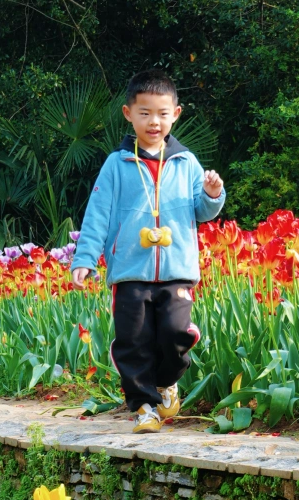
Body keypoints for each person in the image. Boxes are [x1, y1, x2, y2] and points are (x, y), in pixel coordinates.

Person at [70, 71, 225, 433]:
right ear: (128, 114)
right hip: (130, 271)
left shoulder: (187, 163)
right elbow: (98, 214)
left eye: (162, 113)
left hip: (176, 270)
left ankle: (167, 382)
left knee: (174, 332)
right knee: (134, 341)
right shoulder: (116, 164)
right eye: (145, 113)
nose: (154, 121)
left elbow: (202, 212)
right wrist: (85, 258)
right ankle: (143, 407)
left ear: (176, 114)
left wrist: (212, 194)